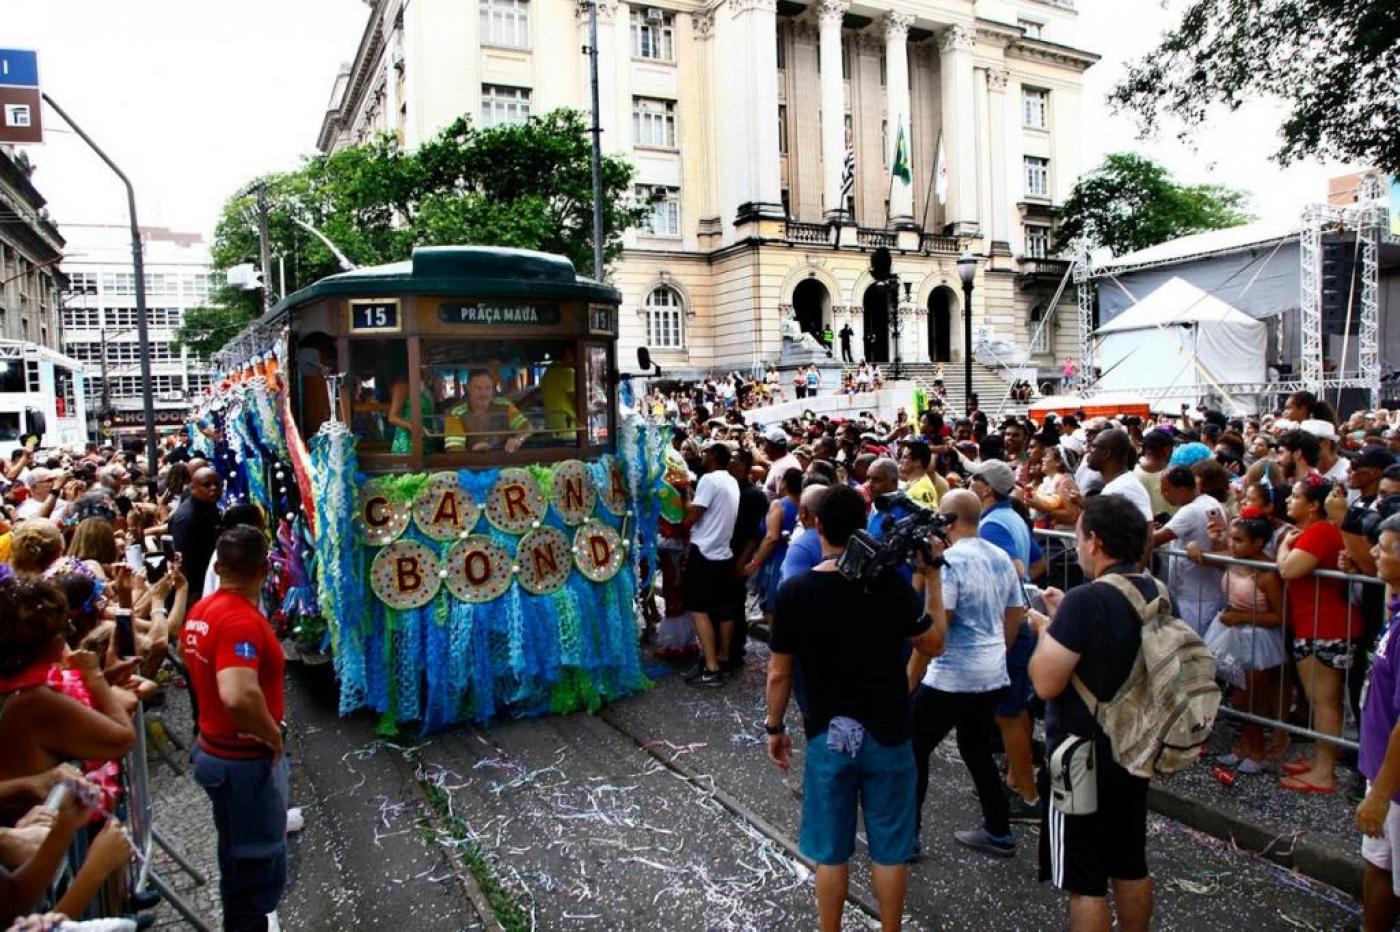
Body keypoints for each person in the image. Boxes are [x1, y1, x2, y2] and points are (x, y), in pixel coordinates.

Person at [765, 484, 942, 932]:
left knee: (831, 850)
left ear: (817, 525)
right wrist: (934, 580)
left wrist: (774, 726)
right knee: (889, 848)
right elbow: (933, 643)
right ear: (864, 526)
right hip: (889, 730)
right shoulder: (890, 584)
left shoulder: (796, 591)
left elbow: (779, 672)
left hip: (828, 734)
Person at [1028, 494, 1155, 932]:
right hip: (1136, 744)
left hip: (1081, 754)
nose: (1077, 545)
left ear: (1095, 541)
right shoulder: (1155, 590)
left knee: (1085, 880)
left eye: (1079, 536)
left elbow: (1046, 682)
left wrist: (1047, 631)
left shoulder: (1086, 600)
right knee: (1129, 862)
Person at [183, 526, 290, 932]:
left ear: (217, 566)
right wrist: (271, 733)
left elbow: (194, 663)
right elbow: (237, 694)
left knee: (237, 854)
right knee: (256, 862)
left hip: (216, 749)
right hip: (241, 761)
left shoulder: (203, 611)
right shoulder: (239, 621)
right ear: (265, 570)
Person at [909, 490, 1025, 859]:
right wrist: (996, 654)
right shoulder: (1000, 556)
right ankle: (998, 829)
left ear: (946, 520)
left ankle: (905, 837)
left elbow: (936, 631)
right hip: (990, 673)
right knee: (974, 747)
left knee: (914, 748)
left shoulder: (949, 562)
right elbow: (1015, 613)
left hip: (952, 676)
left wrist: (908, 680)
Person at [1277, 476, 1354, 794]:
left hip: (1324, 626)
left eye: (1295, 496)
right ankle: (1320, 761)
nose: (1288, 501)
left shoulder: (1321, 531)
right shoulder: (1314, 531)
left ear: (1312, 505)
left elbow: (1288, 569)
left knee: (1324, 702)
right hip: (1316, 623)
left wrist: (1284, 546)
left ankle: (1324, 772)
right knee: (1318, 700)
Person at [1357, 513, 1400, 931]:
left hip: (1396, 786)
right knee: (1377, 864)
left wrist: (1382, 792)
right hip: (1381, 771)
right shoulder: (1396, 610)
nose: (1373, 553)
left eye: (1383, 548)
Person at [682, 442, 741, 686]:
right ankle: (723, 658)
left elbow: (692, 517)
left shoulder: (709, 479)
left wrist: (684, 495)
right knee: (724, 608)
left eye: (706, 453)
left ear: (714, 456)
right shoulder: (731, 480)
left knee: (699, 609)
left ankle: (711, 667)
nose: (703, 456)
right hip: (723, 553)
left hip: (704, 552)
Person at [1153, 465, 1228, 634]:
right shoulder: (1209, 501)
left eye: (1166, 491)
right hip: (1207, 593)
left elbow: (1153, 541)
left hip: (1193, 599)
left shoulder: (1190, 510)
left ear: (1180, 491)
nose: (1163, 496)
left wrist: (1146, 532)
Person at [170, 466, 223, 603]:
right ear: (193, 488)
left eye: (217, 484)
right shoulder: (187, 518)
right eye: (207, 485)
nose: (213, 488)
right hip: (196, 590)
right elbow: (185, 561)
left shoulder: (208, 506)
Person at [446, 369, 530, 453]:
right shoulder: (456, 413)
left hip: (505, 459)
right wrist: (473, 452)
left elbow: (526, 427)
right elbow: (454, 450)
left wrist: (518, 439)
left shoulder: (505, 405)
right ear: (468, 388)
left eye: (488, 388)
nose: (484, 393)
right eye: (478, 388)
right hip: (470, 463)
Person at [1085, 428, 1153, 521]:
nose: (1088, 451)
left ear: (1106, 453)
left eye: (1093, 446)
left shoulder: (1121, 488)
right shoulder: (1120, 484)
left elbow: (1147, 530)